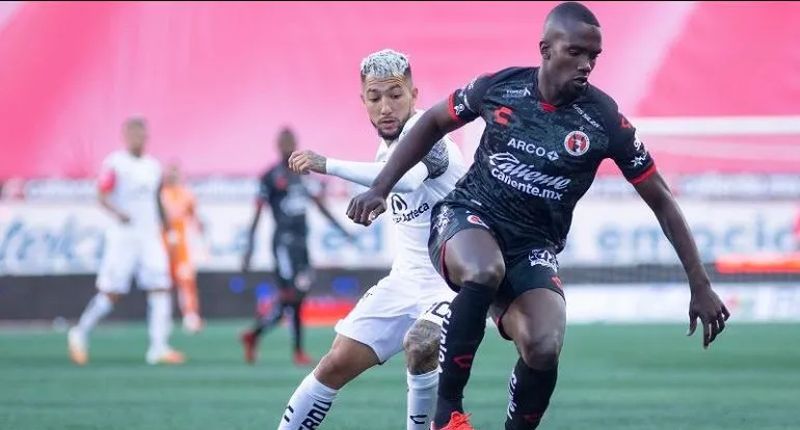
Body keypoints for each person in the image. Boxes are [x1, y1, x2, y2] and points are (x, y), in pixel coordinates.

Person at [346, 3, 731, 429]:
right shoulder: (501, 88)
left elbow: (661, 200)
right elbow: (434, 121)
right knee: (484, 269)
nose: (586, 65)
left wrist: (700, 283)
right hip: (466, 218)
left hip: (531, 247)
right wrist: (381, 186)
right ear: (546, 50)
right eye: (576, 52)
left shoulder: (603, 120)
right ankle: (448, 412)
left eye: (593, 56)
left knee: (544, 346)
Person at [277, 49, 467, 430]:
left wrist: (325, 164)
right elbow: (398, 186)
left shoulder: (431, 135)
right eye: (375, 97)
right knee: (333, 365)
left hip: (451, 283)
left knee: (421, 344)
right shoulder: (384, 150)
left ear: (414, 95)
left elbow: (406, 179)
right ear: (362, 101)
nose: (385, 107)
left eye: (395, 95)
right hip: (404, 281)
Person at [68, 117, 185, 366]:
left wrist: (169, 230)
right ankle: (79, 332)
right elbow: (101, 195)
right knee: (112, 293)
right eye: (133, 134)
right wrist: (118, 213)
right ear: (125, 137)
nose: (137, 139)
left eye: (141, 134)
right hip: (124, 237)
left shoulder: (153, 166)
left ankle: (158, 347)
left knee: (161, 286)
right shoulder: (115, 164)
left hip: (149, 235)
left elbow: (157, 200)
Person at [240, 127, 351, 366]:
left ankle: (255, 334)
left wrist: (341, 229)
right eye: (284, 142)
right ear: (277, 146)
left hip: (302, 244)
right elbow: (257, 213)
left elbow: (320, 204)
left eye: (290, 142)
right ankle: (296, 350)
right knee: (292, 295)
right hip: (283, 243)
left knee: (297, 296)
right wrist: (249, 248)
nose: (287, 146)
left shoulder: (304, 174)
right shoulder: (270, 176)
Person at [161, 162, 204, 334]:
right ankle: (164, 318)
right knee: (163, 281)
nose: (173, 177)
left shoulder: (187, 194)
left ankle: (190, 315)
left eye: (175, 173)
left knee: (186, 281)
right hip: (163, 243)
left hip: (182, 245)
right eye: (170, 173)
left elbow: (194, 218)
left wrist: (199, 238)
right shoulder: (161, 195)